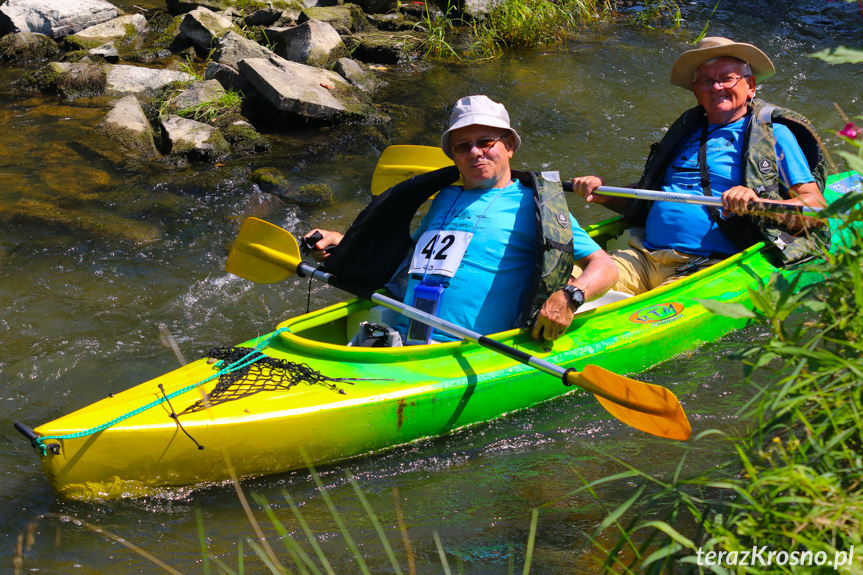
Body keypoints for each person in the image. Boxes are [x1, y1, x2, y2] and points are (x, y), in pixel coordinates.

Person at [306, 95, 618, 343]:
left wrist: (570, 296)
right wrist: (344, 243)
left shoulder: (536, 205)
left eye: (486, 141)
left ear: (509, 146)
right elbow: (407, 261)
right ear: (453, 155)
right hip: (399, 339)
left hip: (470, 350)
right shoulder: (444, 197)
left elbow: (605, 267)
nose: (475, 152)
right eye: (463, 146)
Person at [571, 37, 829, 296]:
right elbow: (651, 194)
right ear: (696, 92)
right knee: (562, 283)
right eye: (706, 81)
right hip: (643, 256)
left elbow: (816, 209)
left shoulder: (775, 136)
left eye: (727, 78)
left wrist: (755, 202)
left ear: (750, 86)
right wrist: (605, 193)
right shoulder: (684, 134)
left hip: (707, 266)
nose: (716, 86)